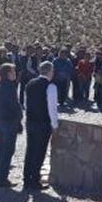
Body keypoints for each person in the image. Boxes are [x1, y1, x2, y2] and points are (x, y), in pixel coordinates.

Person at [23, 60, 59, 190]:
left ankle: (27, 179)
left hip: (31, 121)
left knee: (30, 150)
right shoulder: (51, 86)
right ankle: (35, 180)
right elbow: (52, 108)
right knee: (40, 151)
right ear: (50, 71)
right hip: (43, 123)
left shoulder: (30, 84)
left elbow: (26, 104)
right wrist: (54, 125)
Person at [0, 63, 22, 187]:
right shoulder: (9, 87)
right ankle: (2, 178)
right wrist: (19, 118)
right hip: (9, 121)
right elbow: (14, 105)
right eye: (13, 71)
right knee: (8, 150)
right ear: (8, 73)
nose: (15, 74)